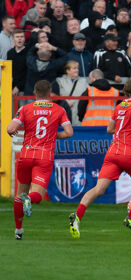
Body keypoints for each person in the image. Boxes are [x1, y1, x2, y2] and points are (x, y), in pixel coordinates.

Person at [69, 78, 131, 238]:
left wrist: (123, 128)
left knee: (99, 189)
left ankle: (77, 216)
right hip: (129, 153)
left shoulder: (119, 106)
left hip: (113, 152)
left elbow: (110, 129)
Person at [7, 80, 73, 240]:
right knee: (37, 194)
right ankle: (29, 199)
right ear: (49, 93)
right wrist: (54, 135)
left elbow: (10, 128)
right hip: (44, 156)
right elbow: (69, 132)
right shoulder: (59, 109)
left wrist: (13, 132)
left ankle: (18, 230)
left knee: (19, 193)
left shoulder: (25, 108)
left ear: (35, 92)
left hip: (26, 154)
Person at [52, 60, 89, 126]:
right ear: (68, 70)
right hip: (65, 111)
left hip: (79, 114)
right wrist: (65, 102)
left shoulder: (84, 81)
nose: (77, 70)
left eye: (77, 68)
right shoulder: (60, 81)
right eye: (74, 68)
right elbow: (54, 96)